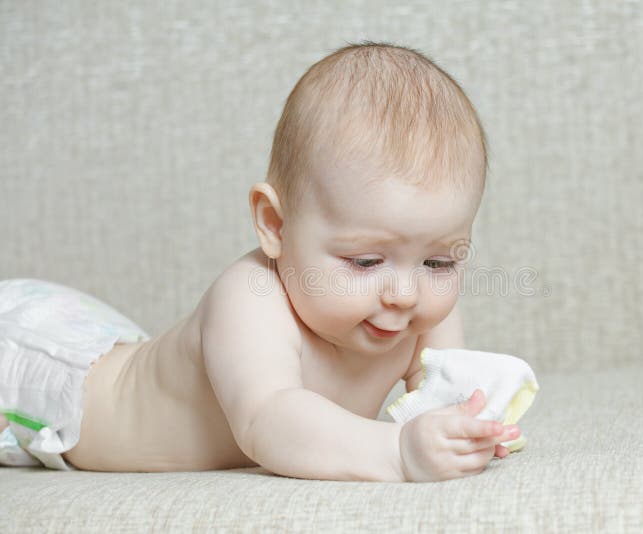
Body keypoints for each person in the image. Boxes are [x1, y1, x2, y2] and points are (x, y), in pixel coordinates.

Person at [0, 42, 520, 482]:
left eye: (438, 263)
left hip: (119, 344)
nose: (405, 294)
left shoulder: (420, 317)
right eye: (365, 261)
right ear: (275, 224)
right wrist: (400, 452)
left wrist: (469, 431)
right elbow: (268, 422)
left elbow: (448, 399)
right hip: (54, 383)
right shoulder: (250, 300)